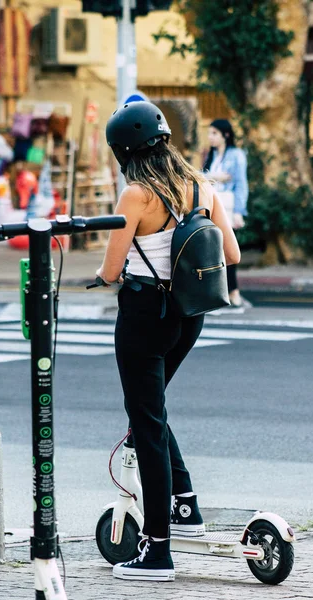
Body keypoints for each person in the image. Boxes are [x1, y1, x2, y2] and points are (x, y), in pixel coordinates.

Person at [96, 101, 240, 582]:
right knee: (151, 412)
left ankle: (157, 552)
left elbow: (112, 270)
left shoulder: (136, 194)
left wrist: (99, 276)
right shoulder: (200, 183)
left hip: (144, 317)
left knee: (148, 422)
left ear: (123, 151)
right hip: (189, 314)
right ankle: (186, 509)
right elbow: (231, 251)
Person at [204, 119, 248, 308]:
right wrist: (215, 177)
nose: (210, 137)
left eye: (214, 133)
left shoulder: (236, 155)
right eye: (209, 133)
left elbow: (241, 184)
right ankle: (222, 292)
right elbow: (200, 176)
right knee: (213, 251)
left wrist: (239, 211)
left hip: (228, 208)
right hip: (212, 207)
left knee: (229, 250)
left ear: (225, 135)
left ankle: (234, 291)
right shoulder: (212, 155)